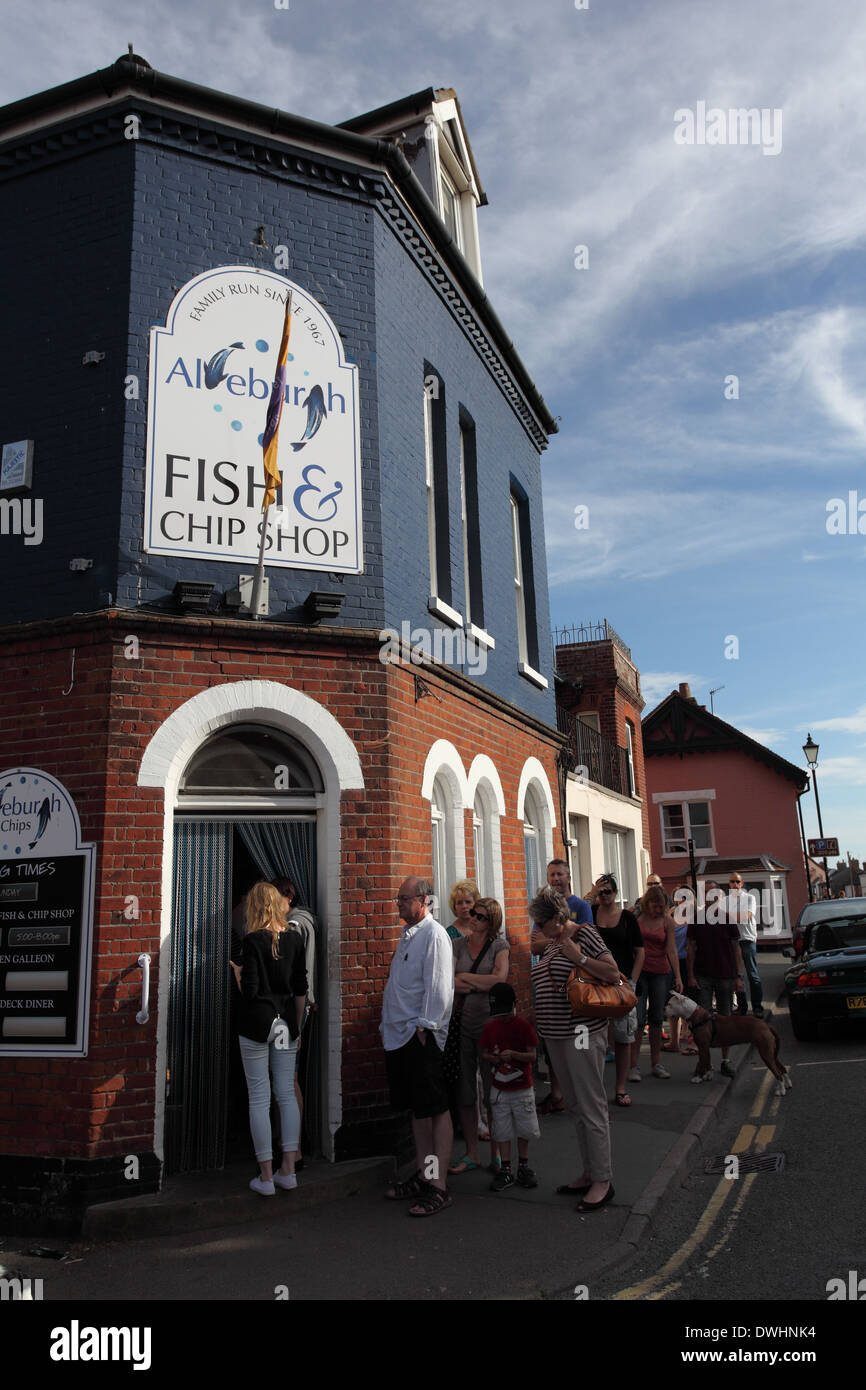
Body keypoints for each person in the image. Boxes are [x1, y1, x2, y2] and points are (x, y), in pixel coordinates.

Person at [531, 886, 619, 1211]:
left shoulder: (585, 934)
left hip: (581, 1032)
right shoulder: (554, 942)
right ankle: (590, 1172)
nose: (537, 929)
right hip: (556, 1035)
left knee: (591, 1105)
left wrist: (579, 957)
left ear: (557, 917)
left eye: (541, 922)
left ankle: (603, 1182)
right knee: (576, 1107)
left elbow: (613, 974)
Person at [381, 876, 454, 1217]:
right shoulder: (409, 935)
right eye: (398, 898)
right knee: (417, 1111)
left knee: (435, 1111)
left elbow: (439, 987)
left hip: (419, 1037)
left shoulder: (434, 935)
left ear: (424, 900)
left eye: (404, 898)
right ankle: (426, 1176)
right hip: (401, 1037)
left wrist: (427, 1027)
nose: (398, 903)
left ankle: (438, 1186)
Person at [237, 881, 307, 1196]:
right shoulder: (294, 939)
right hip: (285, 1025)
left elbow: (250, 991)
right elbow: (300, 988)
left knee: (259, 1097)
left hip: (258, 1023)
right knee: (286, 1095)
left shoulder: (251, 942)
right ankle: (288, 1170)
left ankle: (265, 1176)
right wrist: (299, 1025)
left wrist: (237, 974)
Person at [448, 897, 510, 1175]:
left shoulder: (499, 945)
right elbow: (448, 981)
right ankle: (471, 1152)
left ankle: (497, 1154)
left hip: (490, 1026)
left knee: (492, 1089)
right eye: (473, 913)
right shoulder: (457, 944)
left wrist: (467, 981)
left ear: (492, 922)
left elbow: (500, 980)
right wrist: (479, 985)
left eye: (481, 916)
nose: (473, 918)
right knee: (465, 1089)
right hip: (462, 1025)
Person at [532, 860, 592, 1114]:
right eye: (551, 875)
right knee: (552, 1044)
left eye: (559, 874)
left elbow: (585, 938)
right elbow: (535, 945)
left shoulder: (581, 906)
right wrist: (561, 940)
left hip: (576, 991)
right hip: (550, 992)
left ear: (568, 877)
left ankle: (583, 1097)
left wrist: (552, 940)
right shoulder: (543, 909)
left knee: (579, 1047)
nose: (555, 879)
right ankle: (558, 1094)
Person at [272, 877, 317, 1168]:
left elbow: (290, 974)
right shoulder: (304, 921)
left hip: (289, 1011)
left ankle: (293, 1151)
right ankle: (285, 1144)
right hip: (293, 1009)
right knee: (284, 1080)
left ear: (287, 897)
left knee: (287, 1080)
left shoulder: (295, 926)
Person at [480, 982, 540, 1191]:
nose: (502, 1018)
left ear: (515, 1005)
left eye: (505, 1013)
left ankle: (523, 1164)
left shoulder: (523, 1027)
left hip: (522, 1086)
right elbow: (484, 1053)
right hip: (500, 1087)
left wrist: (514, 1055)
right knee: (501, 1128)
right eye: (499, 1014)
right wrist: (494, 1058)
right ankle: (506, 1168)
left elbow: (532, 1055)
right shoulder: (490, 1027)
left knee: (525, 1127)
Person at [590, 874, 644, 1106]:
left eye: (608, 891)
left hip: (621, 984)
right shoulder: (590, 913)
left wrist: (632, 980)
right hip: (594, 983)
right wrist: (591, 896)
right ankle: (595, 1089)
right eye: (600, 892)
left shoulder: (627, 918)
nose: (604, 896)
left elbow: (639, 951)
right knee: (594, 1038)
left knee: (623, 1036)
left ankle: (620, 1087)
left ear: (616, 893)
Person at [686, 894, 745, 1079]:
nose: (712, 899)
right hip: (703, 975)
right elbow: (690, 949)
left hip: (726, 976)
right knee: (702, 1021)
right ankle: (705, 1064)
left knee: (725, 1018)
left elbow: (736, 949)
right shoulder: (696, 920)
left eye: (716, 896)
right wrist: (690, 976)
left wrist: (738, 976)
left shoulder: (728, 919)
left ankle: (725, 1061)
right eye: (709, 896)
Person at [630, 885, 682, 1080]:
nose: (658, 910)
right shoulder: (637, 920)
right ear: (647, 904)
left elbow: (671, 950)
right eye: (655, 906)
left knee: (657, 1018)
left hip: (661, 973)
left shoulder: (667, 921)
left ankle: (655, 1063)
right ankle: (634, 1066)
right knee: (638, 1019)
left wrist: (678, 977)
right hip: (641, 972)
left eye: (661, 907)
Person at [727, 874, 763, 1018]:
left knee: (752, 974)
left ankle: (757, 1007)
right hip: (733, 941)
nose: (735, 884)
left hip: (747, 939)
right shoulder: (726, 900)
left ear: (742, 883)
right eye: (732, 881)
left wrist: (728, 915)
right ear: (729, 884)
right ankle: (742, 1007)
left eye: (737, 881)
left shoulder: (749, 898)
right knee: (737, 975)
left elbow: (746, 916)